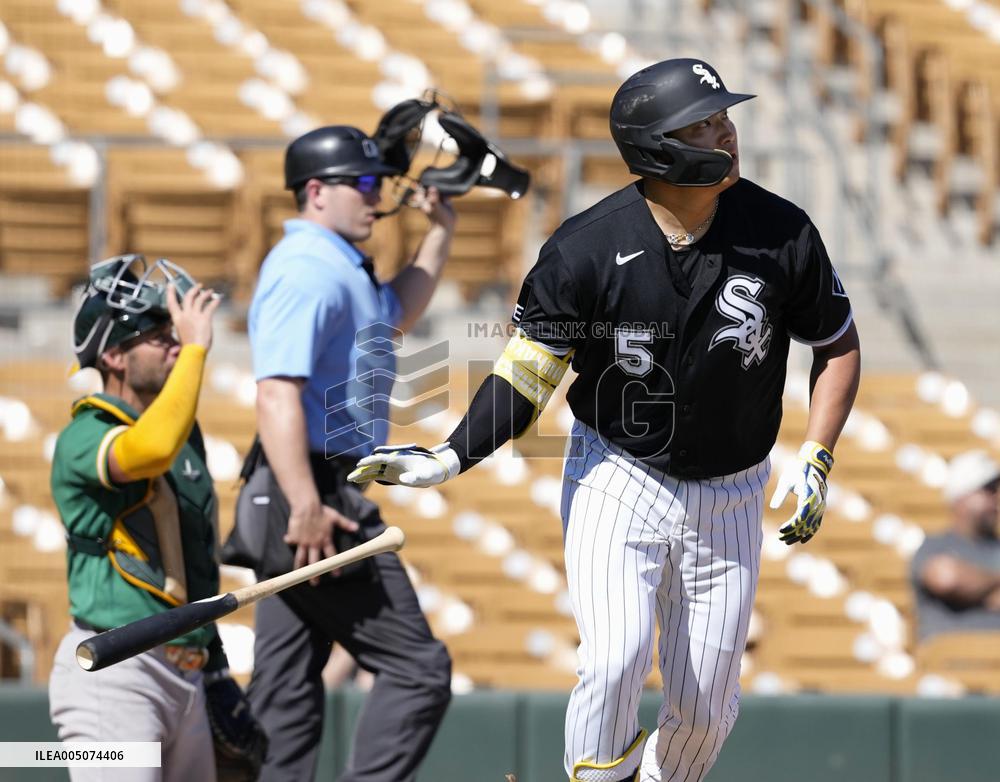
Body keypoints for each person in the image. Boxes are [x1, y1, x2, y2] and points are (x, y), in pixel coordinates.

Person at [349, 58, 861, 782]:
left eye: (724, 116)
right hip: (619, 473)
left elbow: (837, 344)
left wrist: (817, 455)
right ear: (658, 147)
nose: (728, 131)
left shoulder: (782, 230)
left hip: (735, 489)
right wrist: (450, 455)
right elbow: (528, 373)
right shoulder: (584, 248)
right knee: (614, 659)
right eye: (706, 122)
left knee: (709, 711)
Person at [235, 125, 455, 782]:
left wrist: (438, 231)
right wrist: (305, 502)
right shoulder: (305, 269)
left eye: (376, 183)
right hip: (307, 493)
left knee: (285, 691)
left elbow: (395, 317)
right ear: (314, 191)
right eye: (360, 183)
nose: (374, 196)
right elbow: (276, 394)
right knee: (419, 669)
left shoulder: (337, 264)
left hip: (300, 490)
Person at [49, 255, 267, 781]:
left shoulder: (183, 437)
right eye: (157, 334)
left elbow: (194, 568)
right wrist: (195, 349)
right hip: (114, 673)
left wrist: (213, 668)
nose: (174, 341)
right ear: (115, 356)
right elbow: (148, 449)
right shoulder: (85, 434)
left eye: (175, 333)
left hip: (184, 673)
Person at [911, 449, 1000, 642]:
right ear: (961, 496)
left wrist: (976, 587)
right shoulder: (935, 545)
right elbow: (946, 578)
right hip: (951, 665)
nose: (996, 498)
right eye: (988, 489)